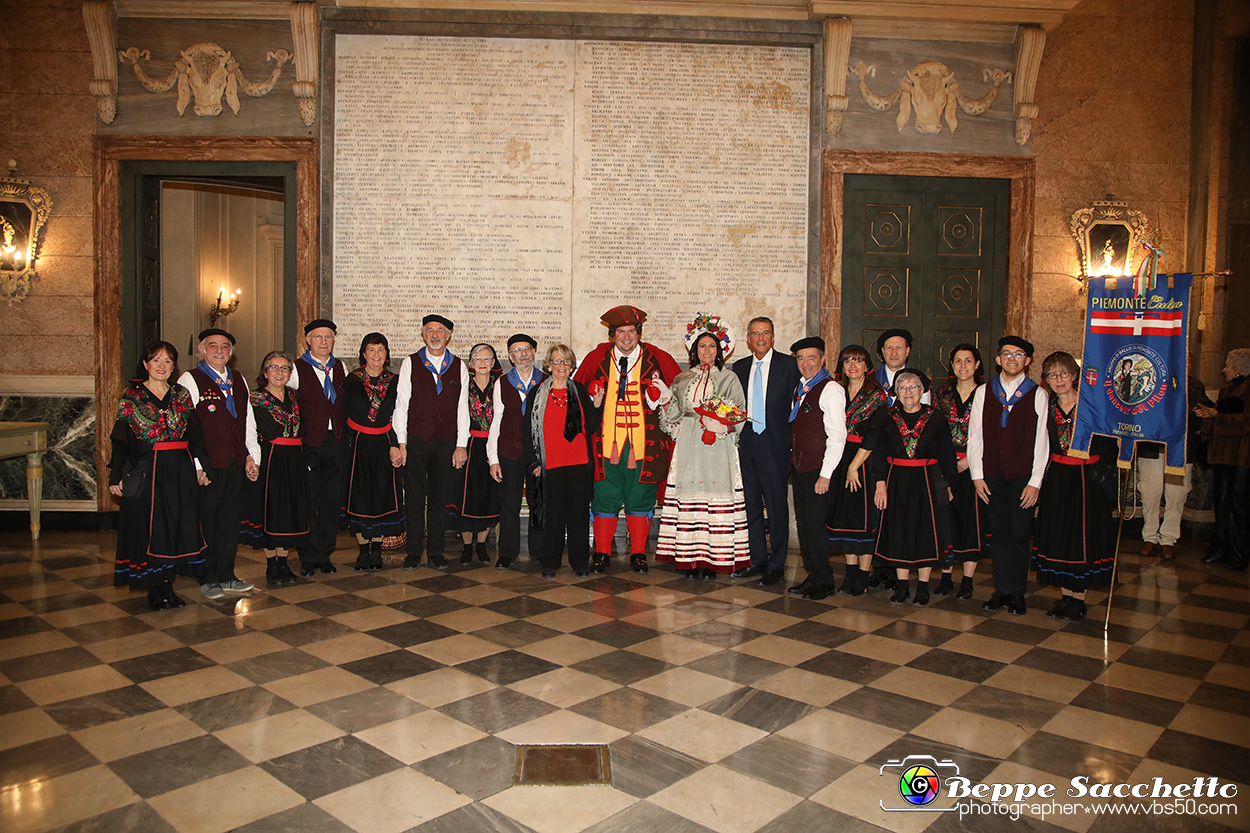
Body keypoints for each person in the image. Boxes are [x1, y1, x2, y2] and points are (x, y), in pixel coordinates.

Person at [573, 305, 682, 574]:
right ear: (612, 334)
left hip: (645, 446)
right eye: (621, 331)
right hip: (605, 445)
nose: (626, 336)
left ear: (638, 333)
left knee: (640, 497)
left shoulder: (658, 358)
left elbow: (679, 396)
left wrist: (664, 398)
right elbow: (575, 396)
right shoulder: (597, 358)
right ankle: (601, 553)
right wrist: (591, 398)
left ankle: (638, 554)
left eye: (631, 331)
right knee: (605, 497)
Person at [108, 341, 209, 610]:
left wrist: (202, 467)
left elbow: (196, 435)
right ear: (145, 364)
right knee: (150, 529)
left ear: (174, 366)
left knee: (174, 527)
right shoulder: (131, 398)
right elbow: (120, 441)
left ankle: (168, 586)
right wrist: (115, 475)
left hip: (180, 469)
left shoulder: (182, 395)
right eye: (156, 360)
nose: (162, 366)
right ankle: (153, 588)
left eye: (167, 361)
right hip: (148, 470)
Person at [654, 318, 750, 578]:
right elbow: (673, 416)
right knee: (690, 498)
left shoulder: (729, 378)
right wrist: (665, 399)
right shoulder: (682, 378)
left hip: (717, 445)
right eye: (702, 346)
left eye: (712, 346)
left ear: (720, 350)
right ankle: (690, 559)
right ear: (693, 350)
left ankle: (712, 560)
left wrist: (726, 427)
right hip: (688, 443)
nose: (707, 351)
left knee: (714, 499)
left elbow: (740, 412)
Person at [1033, 351, 1118, 622]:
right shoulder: (1045, 408)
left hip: (1087, 478)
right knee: (1059, 534)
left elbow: (1110, 442)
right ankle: (1065, 597)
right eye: (1052, 375)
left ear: (1074, 376)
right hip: (1057, 476)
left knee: (1083, 537)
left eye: (1064, 374)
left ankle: (1078, 599)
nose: (1059, 380)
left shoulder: (1093, 405)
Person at [968, 336, 1049, 615]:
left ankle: (1017, 592)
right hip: (992, 475)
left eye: (1018, 355)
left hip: (1022, 478)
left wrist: (1035, 482)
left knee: (1020, 533)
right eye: (1006, 354)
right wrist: (977, 475)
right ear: (998, 359)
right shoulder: (984, 392)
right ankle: (1001, 589)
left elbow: (1042, 442)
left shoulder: (1037, 394)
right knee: (999, 532)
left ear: (1027, 361)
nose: (1012, 359)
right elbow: (975, 436)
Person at [861, 369, 957, 606]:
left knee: (925, 532)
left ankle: (923, 587)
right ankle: (902, 586)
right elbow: (879, 454)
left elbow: (947, 453)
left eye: (913, 387)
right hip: (896, 479)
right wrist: (880, 484)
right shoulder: (885, 415)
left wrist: (950, 484)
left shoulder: (936, 417)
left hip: (926, 480)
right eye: (902, 388)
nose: (908, 392)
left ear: (922, 390)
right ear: (896, 392)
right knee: (899, 531)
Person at [176, 328, 257, 600]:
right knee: (207, 522)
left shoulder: (238, 380)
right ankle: (207, 576)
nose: (219, 351)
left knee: (229, 522)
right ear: (202, 350)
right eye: (213, 346)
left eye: (224, 346)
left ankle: (227, 574)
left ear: (231, 352)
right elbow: (186, 429)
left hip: (235, 463)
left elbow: (247, 422)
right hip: (208, 466)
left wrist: (250, 455)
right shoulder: (190, 379)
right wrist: (197, 465)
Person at [393, 315, 469, 571]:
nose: (435, 335)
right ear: (423, 335)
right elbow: (401, 405)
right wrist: (401, 442)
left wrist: (461, 445)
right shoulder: (410, 363)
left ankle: (435, 550)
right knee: (414, 498)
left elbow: (462, 408)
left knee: (439, 498)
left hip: (446, 442)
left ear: (448, 335)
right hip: (416, 440)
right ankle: (413, 551)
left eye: (440, 331)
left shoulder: (458, 366)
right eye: (430, 331)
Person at [521, 344, 603, 578]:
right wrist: (533, 462)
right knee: (553, 516)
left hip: (579, 463)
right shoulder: (537, 393)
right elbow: (526, 431)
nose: (561, 366)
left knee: (578, 515)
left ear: (571, 366)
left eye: (566, 362)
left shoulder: (579, 390)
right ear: (548, 365)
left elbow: (591, 427)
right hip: (550, 465)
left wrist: (596, 406)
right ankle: (550, 563)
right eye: (556, 361)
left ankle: (579, 562)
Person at [730, 317, 801, 586]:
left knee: (776, 506)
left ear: (773, 337)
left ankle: (776, 563)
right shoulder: (739, 367)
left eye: (766, 333)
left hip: (776, 446)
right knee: (751, 506)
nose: (760, 338)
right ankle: (757, 560)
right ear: (748, 339)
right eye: (755, 334)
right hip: (747, 445)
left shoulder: (789, 366)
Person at [787, 337, 848, 600]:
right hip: (800, 469)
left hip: (818, 470)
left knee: (815, 526)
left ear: (822, 359)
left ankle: (824, 581)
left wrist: (826, 474)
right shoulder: (802, 387)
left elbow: (837, 435)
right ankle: (813, 575)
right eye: (800, 358)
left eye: (811, 358)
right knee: (805, 525)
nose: (806, 364)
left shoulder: (831, 389)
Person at [240, 351, 308, 585]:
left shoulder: (296, 397)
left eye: (284, 368)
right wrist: (251, 458)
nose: (279, 372)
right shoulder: (255, 399)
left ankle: (284, 563)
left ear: (290, 373)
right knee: (271, 510)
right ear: (265, 371)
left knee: (289, 511)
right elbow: (248, 432)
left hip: (295, 459)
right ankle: (271, 566)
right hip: (270, 458)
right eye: (274, 367)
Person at [828, 344, 889, 595]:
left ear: (867, 366)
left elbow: (875, 434)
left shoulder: (877, 395)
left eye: (858, 361)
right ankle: (850, 572)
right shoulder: (837, 392)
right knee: (846, 517)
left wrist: (855, 466)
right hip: (841, 457)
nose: (853, 366)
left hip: (866, 460)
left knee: (865, 518)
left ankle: (864, 575)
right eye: (847, 361)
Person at [343, 333, 404, 572]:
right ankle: (362, 551)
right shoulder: (352, 379)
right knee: (359, 495)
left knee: (381, 495)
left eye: (381, 349)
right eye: (371, 349)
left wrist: (395, 444)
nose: (376, 354)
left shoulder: (395, 380)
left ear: (386, 354)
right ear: (363, 353)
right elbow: (349, 411)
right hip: (358, 444)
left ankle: (376, 550)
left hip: (384, 443)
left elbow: (397, 415)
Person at [290, 319, 346, 576]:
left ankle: (325, 554)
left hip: (335, 443)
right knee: (309, 500)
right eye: (318, 337)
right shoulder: (296, 369)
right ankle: (307, 555)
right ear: (308, 341)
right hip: (310, 443)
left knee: (331, 501)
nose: (324, 342)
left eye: (328, 337)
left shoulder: (340, 367)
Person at [1137, 372, 1212, 560]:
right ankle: (1150, 537)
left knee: (1176, 494)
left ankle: (1168, 539)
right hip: (1151, 446)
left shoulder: (1194, 384)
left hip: (1181, 448)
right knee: (1149, 492)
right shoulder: (1150, 377)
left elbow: (1204, 408)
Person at [488, 334, 546, 569]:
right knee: (509, 504)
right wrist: (493, 458)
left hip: (538, 454)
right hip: (509, 452)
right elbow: (496, 421)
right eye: (516, 350)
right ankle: (507, 552)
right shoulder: (502, 382)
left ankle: (540, 551)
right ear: (510, 357)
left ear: (534, 352)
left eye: (526, 349)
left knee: (538, 502)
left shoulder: (547, 380)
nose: (522, 354)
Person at [932, 343, 985, 599]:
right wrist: (949, 462)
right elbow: (936, 432)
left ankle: (967, 580)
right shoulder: (941, 394)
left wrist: (971, 460)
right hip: (946, 467)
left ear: (977, 364)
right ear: (951, 365)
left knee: (970, 521)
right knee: (946, 521)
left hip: (975, 468)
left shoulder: (987, 394)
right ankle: (945, 576)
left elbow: (990, 434)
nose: (963, 365)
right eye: (957, 361)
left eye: (968, 360)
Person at [1196, 348, 1250, 571]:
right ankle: (1219, 549)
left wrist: (1218, 416)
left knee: (1238, 504)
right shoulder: (1226, 389)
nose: (1223, 370)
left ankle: (1238, 554)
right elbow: (1218, 418)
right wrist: (1208, 416)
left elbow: (1246, 421)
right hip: (1222, 455)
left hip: (1242, 456)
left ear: (1238, 369)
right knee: (1221, 502)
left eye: (1227, 366)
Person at [450, 343, 504, 564]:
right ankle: (466, 546)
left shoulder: (500, 385)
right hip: (468, 445)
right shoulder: (464, 385)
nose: (482, 363)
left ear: (493, 363)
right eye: (477, 359)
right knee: (466, 495)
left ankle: (482, 545)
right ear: (471, 364)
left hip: (493, 447)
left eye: (487, 359)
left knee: (488, 494)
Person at [875, 328, 930, 406]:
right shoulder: (871, 379)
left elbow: (926, 415)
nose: (894, 353)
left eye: (899, 347)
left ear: (907, 351)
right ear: (883, 351)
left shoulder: (920, 380)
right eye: (889, 348)